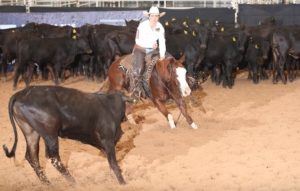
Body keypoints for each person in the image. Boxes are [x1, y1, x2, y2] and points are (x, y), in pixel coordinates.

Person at [132, 6, 166, 98]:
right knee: (138, 69)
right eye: (152, 16)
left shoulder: (159, 26)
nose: (154, 18)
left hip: (153, 50)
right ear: (149, 16)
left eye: (156, 16)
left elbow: (162, 41)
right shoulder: (142, 26)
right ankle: (136, 90)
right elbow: (137, 41)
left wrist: (162, 55)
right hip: (140, 49)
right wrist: (150, 45)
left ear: (159, 17)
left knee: (164, 64)